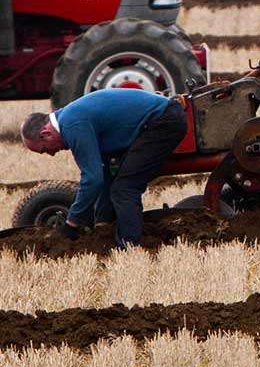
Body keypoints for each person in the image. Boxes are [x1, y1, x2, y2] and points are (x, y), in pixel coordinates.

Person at [21, 88, 188, 248]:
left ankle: (129, 248)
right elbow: (103, 173)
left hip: (164, 121)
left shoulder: (73, 125)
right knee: (116, 181)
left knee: (124, 188)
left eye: (44, 150)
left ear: (46, 134)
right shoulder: (70, 119)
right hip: (163, 117)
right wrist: (102, 222)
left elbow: (92, 179)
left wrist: (72, 223)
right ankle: (114, 233)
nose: (51, 154)